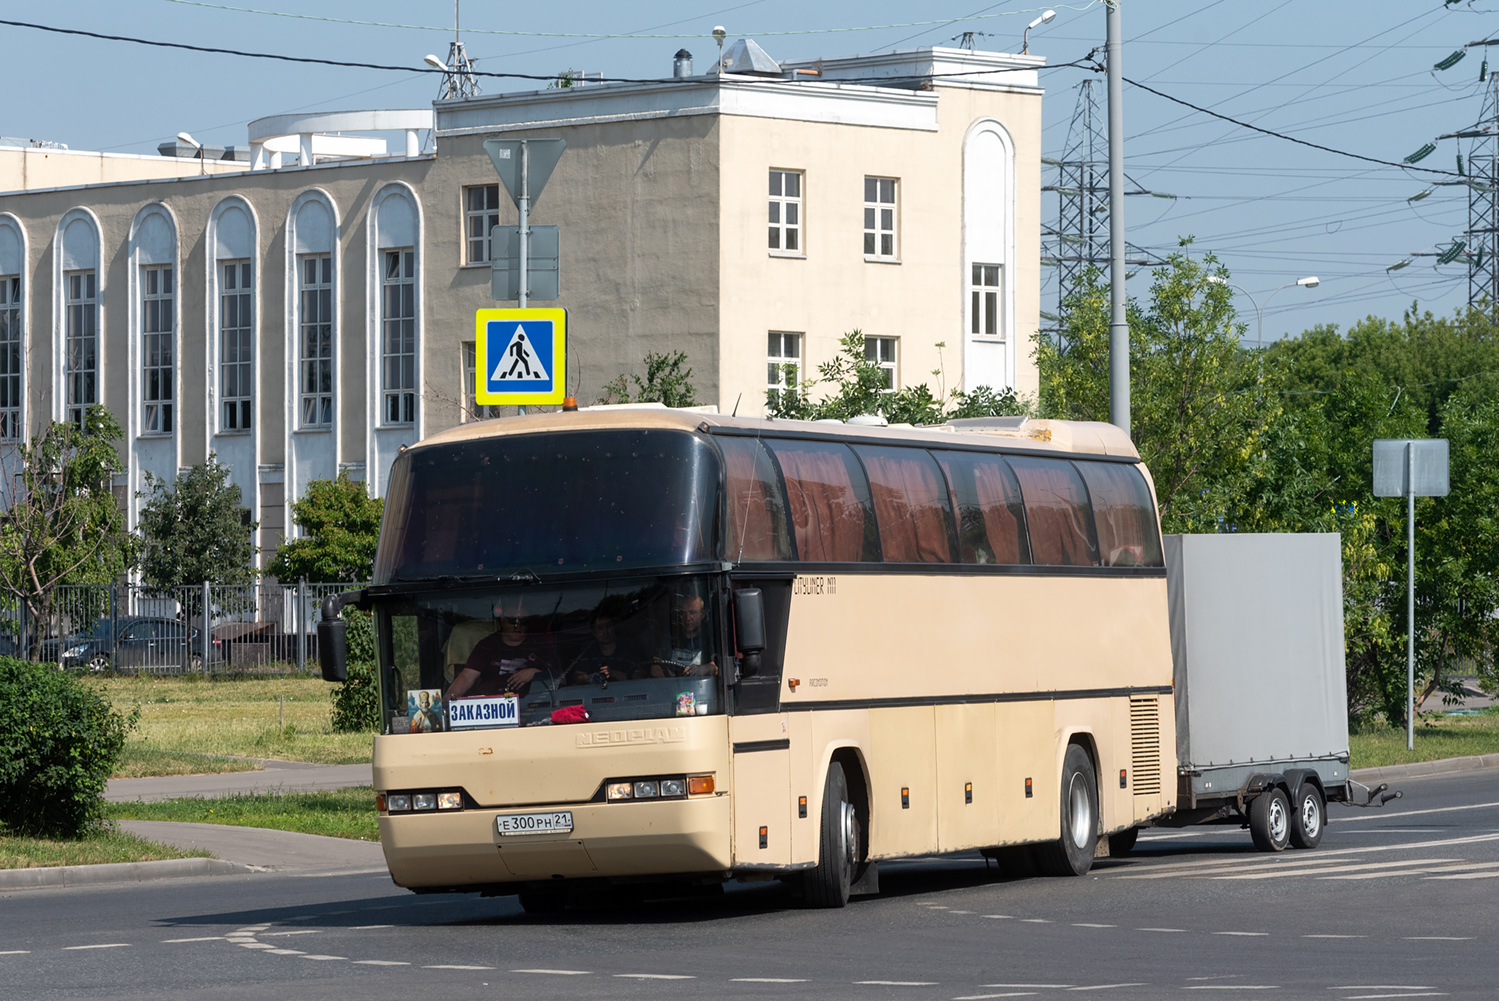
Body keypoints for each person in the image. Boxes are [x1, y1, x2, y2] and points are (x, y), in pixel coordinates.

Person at [446, 600, 558, 699]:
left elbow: (559, 679)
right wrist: (445, 701)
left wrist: (535, 673)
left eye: (523, 622)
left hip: (530, 706)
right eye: (512, 620)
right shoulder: (488, 645)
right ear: (502, 621)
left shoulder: (539, 645)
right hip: (491, 707)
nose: (517, 626)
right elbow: (467, 676)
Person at [643, 590, 717, 678]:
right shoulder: (671, 637)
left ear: (702, 614)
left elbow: (718, 667)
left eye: (692, 612)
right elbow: (655, 668)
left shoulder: (709, 638)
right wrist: (679, 680)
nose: (688, 618)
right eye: (683, 613)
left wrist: (705, 668)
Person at [564, 610, 641, 686]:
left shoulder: (628, 644)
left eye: (608, 626)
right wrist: (589, 678)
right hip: (595, 694)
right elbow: (578, 677)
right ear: (593, 632)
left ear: (614, 627)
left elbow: (639, 676)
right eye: (600, 628)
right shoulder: (588, 648)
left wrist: (613, 673)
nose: (605, 632)